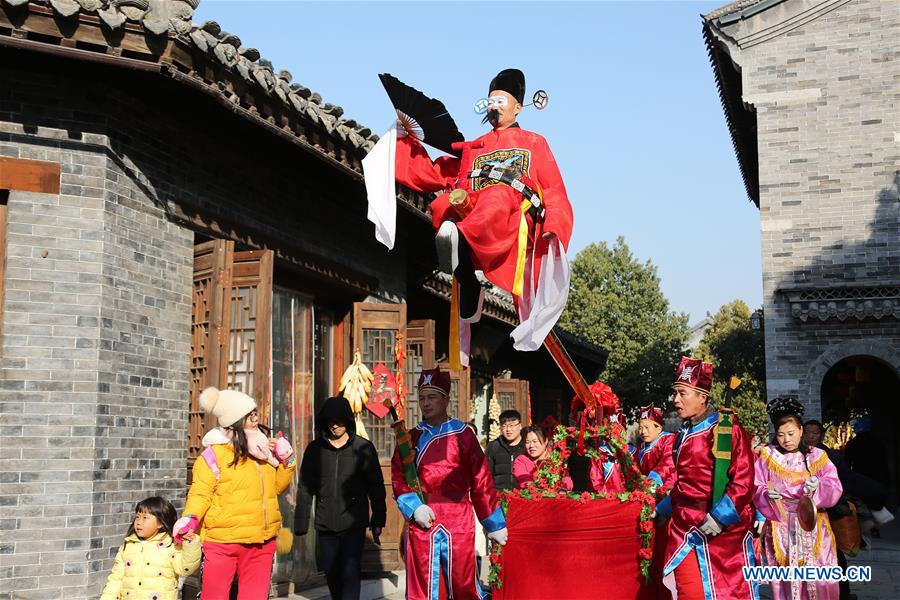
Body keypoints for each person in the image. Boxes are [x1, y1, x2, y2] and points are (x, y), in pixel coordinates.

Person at [394, 68, 573, 319]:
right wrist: (404, 141)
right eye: (491, 102)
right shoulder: (475, 146)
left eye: (500, 102)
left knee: (495, 197)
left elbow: (554, 189)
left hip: (514, 214)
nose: (494, 107)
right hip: (475, 209)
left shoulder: (535, 143)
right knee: (443, 205)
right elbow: (436, 172)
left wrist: (555, 224)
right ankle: (467, 278)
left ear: (518, 107)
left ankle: (462, 239)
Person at [391, 368, 508, 600]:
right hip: (424, 517)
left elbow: (481, 480)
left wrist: (493, 523)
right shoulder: (411, 437)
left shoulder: (464, 435)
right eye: (422, 397)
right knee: (421, 586)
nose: (426, 403)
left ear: (446, 399)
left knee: (463, 583)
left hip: (458, 517)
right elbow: (399, 476)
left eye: (432, 397)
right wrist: (415, 508)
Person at [178, 386, 296, 600]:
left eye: (255, 413)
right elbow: (200, 494)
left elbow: (276, 488)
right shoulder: (213, 454)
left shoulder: (264, 450)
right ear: (234, 421)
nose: (256, 418)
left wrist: (286, 461)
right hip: (223, 541)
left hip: (261, 540)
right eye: (249, 415)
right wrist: (190, 519)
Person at [656, 357, 757, 600]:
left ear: (702, 396)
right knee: (689, 593)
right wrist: (663, 509)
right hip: (685, 528)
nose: (675, 400)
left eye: (682, 393)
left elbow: (744, 480)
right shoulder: (683, 434)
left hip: (723, 534)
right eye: (675, 393)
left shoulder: (726, 430)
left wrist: (721, 517)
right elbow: (685, 484)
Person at [294, 395, 386, 600]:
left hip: (354, 522)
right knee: (331, 571)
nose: (334, 425)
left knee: (350, 571)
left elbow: (376, 486)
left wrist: (378, 518)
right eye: (330, 421)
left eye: (339, 420)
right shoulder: (315, 449)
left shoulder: (363, 448)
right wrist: (301, 524)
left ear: (348, 420)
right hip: (325, 522)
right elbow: (305, 488)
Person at [755, 399, 843, 600]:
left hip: (813, 523)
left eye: (791, 433)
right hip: (781, 523)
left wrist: (819, 487)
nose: (786, 439)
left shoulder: (817, 456)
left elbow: (835, 486)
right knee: (785, 578)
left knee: (821, 577)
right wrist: (765, 494)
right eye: (781, 434)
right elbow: (757, 485)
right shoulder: (768, 455)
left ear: (801, 430)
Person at [100, 496, 201, 600]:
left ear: (161, 523)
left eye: (145, 518)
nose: (139, 522)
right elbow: (116, 579)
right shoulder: (129, 545)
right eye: (137, 517)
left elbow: (185, 568)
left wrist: (190, 543)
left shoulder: (170, 545)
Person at [637, 403, 676, 600]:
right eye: (640, 427)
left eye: (647, 427)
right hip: (648, 494)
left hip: (666, 496)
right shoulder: (641, 448)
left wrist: (651, 484)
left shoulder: (667, 441)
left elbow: (667, 464)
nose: (642, 431)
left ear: (658, 427)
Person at [512, 424, 573, 490]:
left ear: (546, 441)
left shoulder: (556, 459)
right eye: (527, 442)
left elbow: (566, 479)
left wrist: (564, 488)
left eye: (535, 441)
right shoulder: (521, 460)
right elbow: (524, 480)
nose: (531, 445)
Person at [486, 409, 527, 491]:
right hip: (499, 496)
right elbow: (486, 474)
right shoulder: (493, 446)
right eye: (504, 426)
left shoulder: (527, 446)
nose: (508, 429)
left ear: (520, 426)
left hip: (523, 496)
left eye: (512, 425)